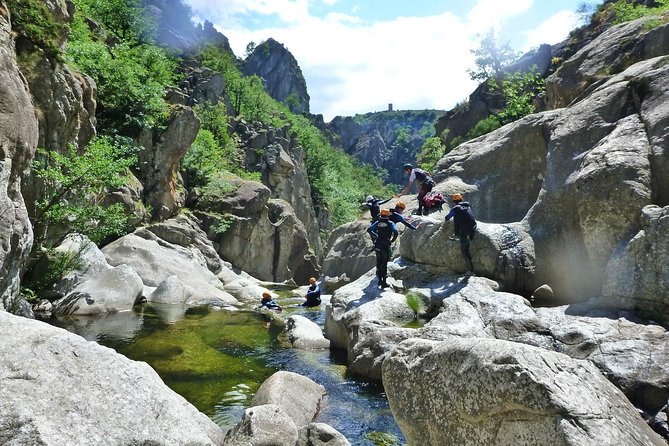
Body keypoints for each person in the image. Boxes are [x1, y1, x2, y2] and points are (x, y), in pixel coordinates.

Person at [444, 193, 477, 275]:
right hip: (473, 227)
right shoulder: (467, 205)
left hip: (464, 232)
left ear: (453, 201)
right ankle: (470, 237)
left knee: (464, 251)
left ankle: (471, 271)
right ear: (461, 199)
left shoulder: (455, 209)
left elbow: (447, 217)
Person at [367, 208, 398, 288]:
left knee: (379, 262)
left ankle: (379, 280)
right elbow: (395, 232)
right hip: (385, 245)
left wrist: (375, 236)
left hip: (378, 244)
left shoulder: (377, 222)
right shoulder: (390, 223)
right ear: (388, 215)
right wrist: (392, 240)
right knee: (384, 264)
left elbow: (369, 229)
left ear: (380, 214)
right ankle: (384, 282)